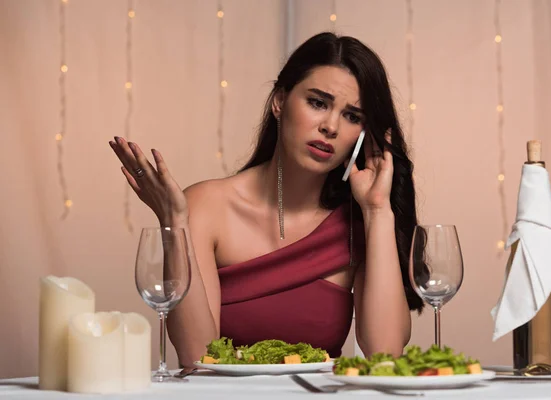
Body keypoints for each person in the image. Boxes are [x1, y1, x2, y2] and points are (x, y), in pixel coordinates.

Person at [109, 32, 425, 368]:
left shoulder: (357, 221)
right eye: (318, 103)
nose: (330, 126)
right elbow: (197, 359)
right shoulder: (206, 207)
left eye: (352, 116)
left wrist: (377, 211)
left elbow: (385, 355)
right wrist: (174, 221)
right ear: (279, 101)